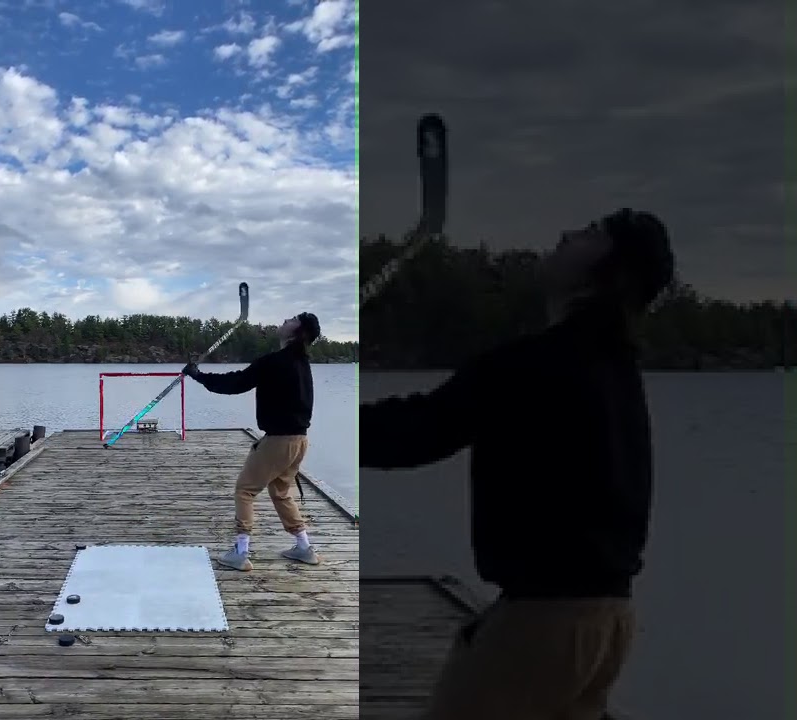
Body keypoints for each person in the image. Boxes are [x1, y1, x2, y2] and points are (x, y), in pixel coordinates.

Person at [361, 208, 674, 720]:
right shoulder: (615, 365)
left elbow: (420, 432)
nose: (566, 231)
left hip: (544, 627)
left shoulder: (538, 364)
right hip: (610, 622)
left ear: (609, 273)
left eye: (591, 234)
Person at [182, 311, 322, 572]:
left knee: (245, 490)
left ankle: (241, 552)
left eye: (292, 319)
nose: (286, 319)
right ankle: (304, 547)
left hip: (279, 441)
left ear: (297, 331)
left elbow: (236, 382)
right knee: (281, 492)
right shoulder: (301, 362)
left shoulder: (276, 362)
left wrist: (198, 375)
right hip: (299, 441)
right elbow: (241, 380)